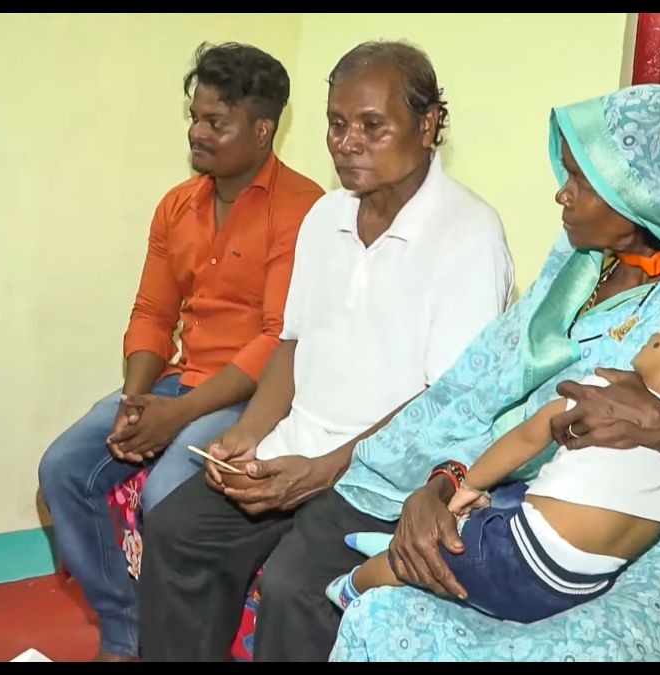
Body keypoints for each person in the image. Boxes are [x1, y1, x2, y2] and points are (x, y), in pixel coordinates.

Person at [329, 83, 660, 662]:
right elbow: (495, 392)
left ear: (646, 190)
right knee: (350, 585)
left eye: (583, 178)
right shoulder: (580, 264)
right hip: (547, 493)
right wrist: (447, 481)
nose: (562, 193)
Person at [137, 40, 514, 662]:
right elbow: (292, 343)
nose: (347, 143)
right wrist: (249, 435)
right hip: (297, 447)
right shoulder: (324, 217)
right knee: (178, 532)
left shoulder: (469, 234)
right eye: (337, 125)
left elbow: (446, 401)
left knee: (297, 588)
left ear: (427, 126)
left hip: (386, 477)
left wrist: (323, 471)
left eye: (372, 125)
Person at [36, 42, 323, 662]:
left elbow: (277, 341)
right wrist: (138, 400)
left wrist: (178, 416)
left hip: (253, 395)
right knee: (62, 469)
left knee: (165, 495)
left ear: (262, 130)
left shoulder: (304, 210)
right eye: (196, 117)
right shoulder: (177, 205)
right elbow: (152, 313)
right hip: (179, 380)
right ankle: (125, 632)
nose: (197, 132)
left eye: (216, 122)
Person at [331, 310, 660, 624]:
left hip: (518, 558)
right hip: (578, 585)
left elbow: (525, 439)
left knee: (420, 554)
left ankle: (354, 585)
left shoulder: (604, 396)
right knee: (516, 496)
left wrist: (469, 485)